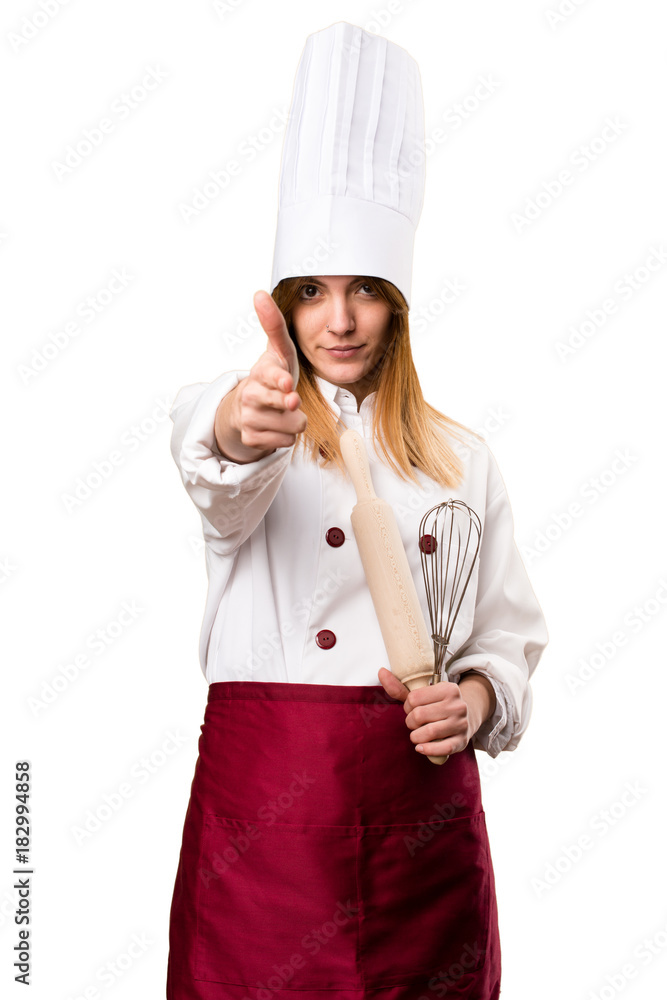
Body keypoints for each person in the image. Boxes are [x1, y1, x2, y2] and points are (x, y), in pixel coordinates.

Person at [166, 22, 548, 1000]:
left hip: (423, 835)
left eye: (364, 291)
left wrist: (471, 701)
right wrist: (237, 423)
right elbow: (213, 467)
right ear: (285, 306)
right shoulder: (251, 422)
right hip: (264, 839)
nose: (338, 320)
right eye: (313, 292)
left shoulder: (465, 458)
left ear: (399, 304)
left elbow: (506, 640)